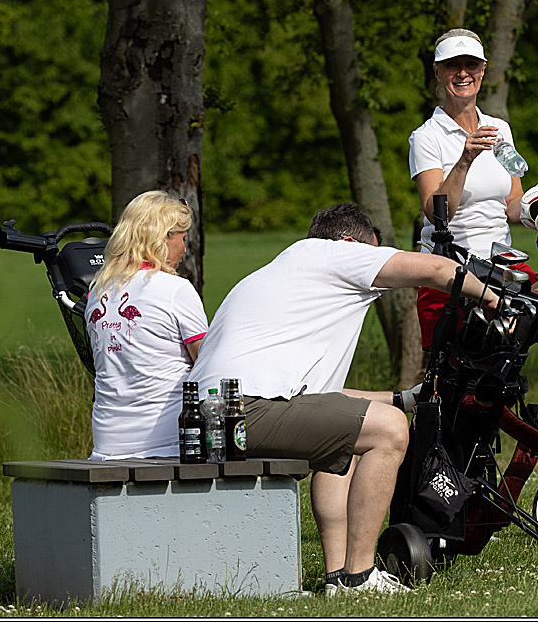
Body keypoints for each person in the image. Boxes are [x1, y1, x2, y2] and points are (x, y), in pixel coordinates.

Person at [189, 203, 499, 596]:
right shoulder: (333, 254)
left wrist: (405, 398)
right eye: (372, 253)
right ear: (350, 243)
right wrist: (492, 297)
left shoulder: (288, 273)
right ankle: (361, 576)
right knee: (388, 432)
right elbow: (437, 270)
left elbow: (321, 400)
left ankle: (338, 576)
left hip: (210, 415)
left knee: (352, 432)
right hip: (240, 411)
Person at [408, 27, 538, 406]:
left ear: (483, 71)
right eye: (453, 66)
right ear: (437, 72)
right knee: (463, 386)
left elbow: (512, 203)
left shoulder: (500, 129)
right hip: (454, 273)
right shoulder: (426, 136)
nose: (462, 73)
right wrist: (465, 158)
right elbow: (434, 210)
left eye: (471, 65)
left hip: (504, 268)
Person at [86, 191, 207, 460]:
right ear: (163, 237)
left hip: (107, 444)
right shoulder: (175, 290)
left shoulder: (97, 292)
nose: (185, 249)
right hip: (167, 443)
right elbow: (207, 364)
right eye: (182, 239)